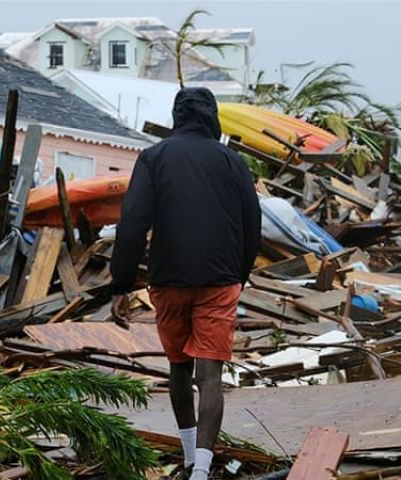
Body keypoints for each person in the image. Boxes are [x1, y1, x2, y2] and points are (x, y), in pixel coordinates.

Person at [110, 87, 261, 480]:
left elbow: (131, 224)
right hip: (219, 281)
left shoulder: (153, 157)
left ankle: (191, 456)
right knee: (210, 375)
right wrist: (239, 275)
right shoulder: (232, 161)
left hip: (169, 279)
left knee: (179, 368)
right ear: (212, 116)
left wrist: (121, 284)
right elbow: (253, 224)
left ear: (177, 115)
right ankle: (202, 472)